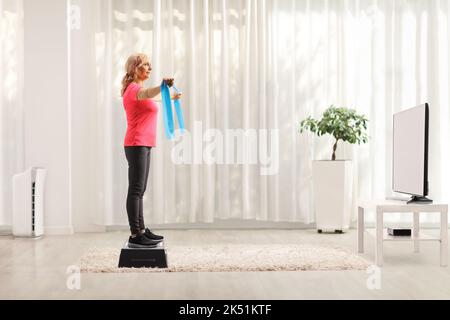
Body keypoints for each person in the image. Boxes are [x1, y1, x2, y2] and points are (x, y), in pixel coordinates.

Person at [121, 53, 182, 248]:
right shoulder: (133, 89)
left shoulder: (138, 90)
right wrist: (162, 86)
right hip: (136, 143)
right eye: (146, 65)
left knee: (140, 189)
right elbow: (147, 94)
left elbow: (152, 100)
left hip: (143, 144)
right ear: (134, 68)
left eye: (150, 65)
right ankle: (135, 234)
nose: (150, 68)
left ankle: (141, 229)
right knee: (136, 189)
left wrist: (171, 96)